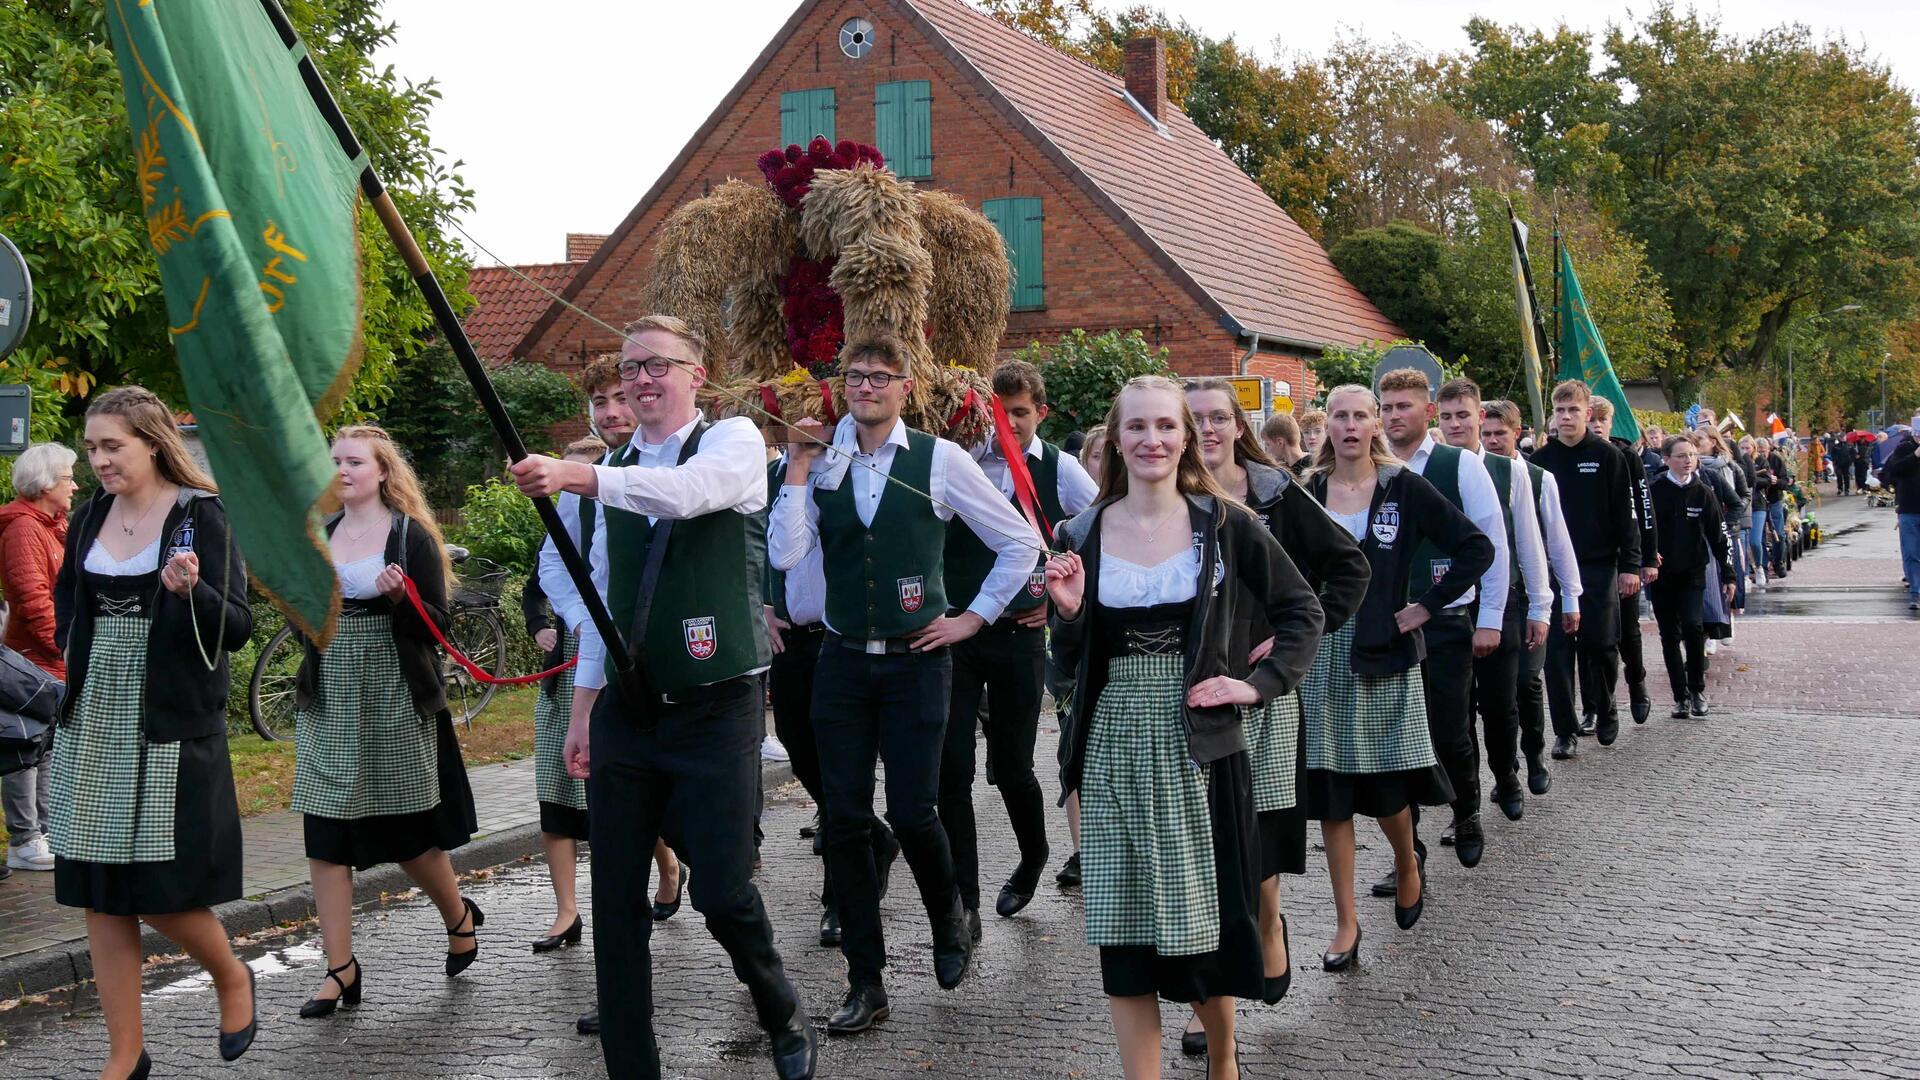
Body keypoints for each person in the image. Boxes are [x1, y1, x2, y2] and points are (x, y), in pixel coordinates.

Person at [511, 315, 815, 1080]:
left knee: (721, 889)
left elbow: (688, 494)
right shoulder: (612, 470)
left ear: (696, 377)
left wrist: (580, 476)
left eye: (658, 366)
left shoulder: (733, 442)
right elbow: (602, 607)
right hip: (629, 710)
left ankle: (779, 1003)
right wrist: (583, 712)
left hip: (717, 707)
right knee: (615, 899)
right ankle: (632, 1065)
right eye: (630, 368)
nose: (642, 380)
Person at [1046, 375, 1321, 1080]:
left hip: (1199, 747)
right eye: (1137, 427)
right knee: (1125, 935)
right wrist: (1072, 615)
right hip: (1111, 745)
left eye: (1166, 427)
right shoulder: (1079, 533)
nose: (1152, 441)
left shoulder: (1224, 523)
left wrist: (1255, 685)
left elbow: (1302, 611)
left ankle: (1223, 1059)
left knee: (1203, 930)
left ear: (1187, 437)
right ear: (1116, 439)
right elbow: (1067, 667)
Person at [769, 336, 1038, 1035]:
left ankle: (948, 917)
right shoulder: (820, 459)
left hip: (919, 659)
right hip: (843, 660)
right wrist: (797, 471)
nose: (867, 387)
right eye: (855, 376)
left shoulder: (940, 460)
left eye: (880, 377)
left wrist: (972, 619)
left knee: (917, 811)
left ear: (905, 388)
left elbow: (1020, 540)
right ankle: (867, 978)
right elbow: (787, 553)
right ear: (841, 387)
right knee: (847, 819)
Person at [51, 386, 257, 1079]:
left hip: (166, 711)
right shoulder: (88, 518)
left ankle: (231, 975)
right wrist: (79, 658)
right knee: (97, 888)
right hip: (96, 712)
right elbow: (66, 607)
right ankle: (126, 1053)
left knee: (160, 888)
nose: (99, 460)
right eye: (91, 448)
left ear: (152, 441)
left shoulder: (202, 515)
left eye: (112, 446)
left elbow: (237, 625)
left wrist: (189, 590)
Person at [1184, 378, 1365, 1055]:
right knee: (1197, 849)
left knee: (1254, 843)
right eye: (1191, 418)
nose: (1204, 429)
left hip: (1259, 697)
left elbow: (1347, 570)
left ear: (1237, 426)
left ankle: (1269, 925)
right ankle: (1208, 1000)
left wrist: (1290, 646)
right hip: (1192, 698)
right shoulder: (1167, 501)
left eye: (1216, 417)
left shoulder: (1278, 495)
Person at [1300, 385, 1493, 973]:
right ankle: (1345, 922)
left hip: (1385, 654)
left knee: (1385, 789)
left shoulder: (1403, 487)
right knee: (1330, 794)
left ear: (1378, 424)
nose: (1352, 425)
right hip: (1322, 656)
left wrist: (1427, 606)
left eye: (1363, 415)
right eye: (1341, 416)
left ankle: (1407, 862)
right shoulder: (1305, 492)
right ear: (1326, 425)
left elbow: (1475, 547)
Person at [292, 426, 483, 1017]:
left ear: (381, 472)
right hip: (331, 693)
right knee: (326, 836)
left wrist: (404, 601)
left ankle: (458, 915)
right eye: (334, 462)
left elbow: (439, 629)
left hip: (396, 690)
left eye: (354, 461)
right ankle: (340, 970)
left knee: (409, 836)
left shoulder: (410, 536)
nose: (342, 470)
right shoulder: (319, 535)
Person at [532, 359, 684, 1039]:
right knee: (615, 841)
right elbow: (555, 565)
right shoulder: (577, 487)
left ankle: (754, 965)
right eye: (601, 401)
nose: (613, 411)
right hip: (605, 676)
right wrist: (587, 622)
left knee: (715, 851)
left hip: (684, 681)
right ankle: (623, 995)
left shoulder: (680, 461)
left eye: (623, 398)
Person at [940, 361, 1097, 936]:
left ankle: (1033, 856)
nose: (1006, 424)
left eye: (1020, 414)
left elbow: (1109, 532)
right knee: (949, 769)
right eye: (997, 414)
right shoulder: (955, 463)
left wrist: (1058, 604)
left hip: (1020, 638)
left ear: (1041, 413)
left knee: (1010, 767)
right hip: (954, 635)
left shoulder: (1063, 469)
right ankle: (966, 900)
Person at [1377, 368, 1508, 870]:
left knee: (1450, 728)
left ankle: (1467, 812)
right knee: (1394, 737)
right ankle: (1408, 854)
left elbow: (1490, 544)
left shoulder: (1460, 465)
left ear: (1427, 411)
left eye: (1403, 406)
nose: (1393, 416)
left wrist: (1491, 617)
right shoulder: (1370, 468)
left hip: (1447, 618)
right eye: (1386, 407)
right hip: (1386, 623)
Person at [1434, 380, 1554, 824]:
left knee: (1501, 703)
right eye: (1446, 417)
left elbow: (1528, 541)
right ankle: (1462, 806)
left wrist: (1540, 606)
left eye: (1463, 416)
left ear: (1479, 418)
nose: (1454, 425)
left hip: (1500, 599)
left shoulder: (1510, 470)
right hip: (1449, 605)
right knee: (1455, 712)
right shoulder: (1432, 469)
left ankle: (1506, 775)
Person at [523, 435, 606, 960]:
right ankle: (566, 910)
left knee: (617, 798)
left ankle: (667, 868)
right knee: (554, 793)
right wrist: (540, 629)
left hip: (613, 670)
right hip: (565, 667)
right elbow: (536, 585)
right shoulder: (562, 527)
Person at [1530, 381, 1641, 759]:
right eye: (1559, 411)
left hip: (1597, 566)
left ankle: (1606, 704)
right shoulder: (1541, 461)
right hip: (1554, 571)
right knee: (1557, 654)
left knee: (1601, 644)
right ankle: (1565, 730)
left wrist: (1630, 564)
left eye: (1573, 410)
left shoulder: (1609, 457)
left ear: (1587, 414)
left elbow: (1626, 517)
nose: (1565, 417)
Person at [1479, 401, 1581, 797]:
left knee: (1526, 681)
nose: (1492, 441)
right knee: (1494, 695)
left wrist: (1569, 597)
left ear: (1518, 432)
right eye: (1486, 435)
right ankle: (1507, 767)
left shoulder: (1538, 478)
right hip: (1492, 599)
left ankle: (1535, 753)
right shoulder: (1476, 473)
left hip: (1526, 596)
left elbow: (1557, 541)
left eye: (1499, 434)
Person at [1, 443, 78, 873]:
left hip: (48, 656)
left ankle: (42, 832)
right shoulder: (24, 529)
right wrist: (64, 643)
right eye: (68, 477)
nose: (74, 484)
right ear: (46, 482)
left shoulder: (50, 526)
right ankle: (25, 837)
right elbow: (33, 599)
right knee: (23, 745)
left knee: (45, 744)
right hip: (33, 658)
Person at [1053, 426, 1110, 890]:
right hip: (1075, 656)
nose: (1104, 465)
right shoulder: (1071, 531)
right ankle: (1082, 850)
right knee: (1074, 750)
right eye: (1095, 457)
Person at [1647, 437, 1737, 716]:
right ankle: (1680, 697)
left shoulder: (1703, 492)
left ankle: (1697, 690)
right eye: (1682, 455)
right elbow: (1643, 530)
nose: (1688, 460)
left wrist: (1728, 573)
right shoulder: (1655, 490)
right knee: (1669, 635)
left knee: (1693, 627)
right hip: (1661, 575)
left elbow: (1719, 536)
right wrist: (1646, 557)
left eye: (1693, 455)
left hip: (1694, 572)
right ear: (1666, 459)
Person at [1586, 397, 1658, 728]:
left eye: (1602, 420)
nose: (1596, 425)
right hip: (1589, 559)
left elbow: (1644, 509)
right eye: (1592, 419)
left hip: (1623, 557)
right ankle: (1596, 702)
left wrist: (1645, 556)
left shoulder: (1626, 456)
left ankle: (1637, 683)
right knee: (1593, 638)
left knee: (1627, 629)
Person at [1884, 428, 1920, 611]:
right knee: (1911, 553)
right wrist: (1915, 455)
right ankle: (1916, 593)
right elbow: (1893, 471)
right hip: (1909, 509)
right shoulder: (1904, 448)